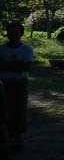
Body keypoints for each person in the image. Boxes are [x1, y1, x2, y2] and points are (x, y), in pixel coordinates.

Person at [0, 20, 33, 148]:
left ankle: (18, 136)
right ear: (7, 33)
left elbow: (26, 67)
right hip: (2, 84)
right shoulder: (1, 49)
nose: (13, 34)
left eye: (16, 32)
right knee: (3, 110)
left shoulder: (27, 49)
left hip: (20, 83)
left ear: (21, 34)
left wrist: (4, 65)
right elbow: (21, 66)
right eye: (10, 32)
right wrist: (17, 65)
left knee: (19, 109)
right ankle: (6, 136)